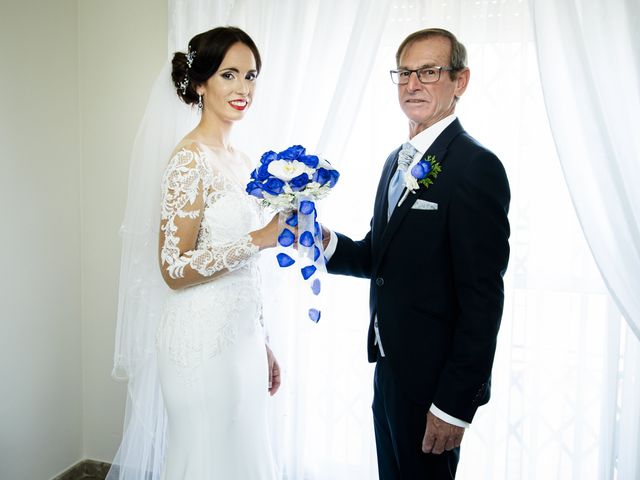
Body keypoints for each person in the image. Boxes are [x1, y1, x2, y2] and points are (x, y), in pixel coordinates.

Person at [323, 28, 510, 479]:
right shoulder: (395, 161)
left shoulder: (476, 166)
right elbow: (377, 257)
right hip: (388, 370)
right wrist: (322, 241)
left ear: (459, 81)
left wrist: (454, 405)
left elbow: (483, 300)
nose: (413, 84)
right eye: (405, 72)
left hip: (435, 385)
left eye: (429, 72)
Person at [108, 27, 281, 480]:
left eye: (251, 75)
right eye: (229, 75)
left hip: (241, 340)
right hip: (199, 344)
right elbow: (174, 267)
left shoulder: (243, 162)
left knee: (244, 457)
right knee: (207, 461)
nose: (244, 88)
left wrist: (263, 342)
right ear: (201, 84)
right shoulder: (189, 160)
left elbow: (246, 272)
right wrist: (259, 239)